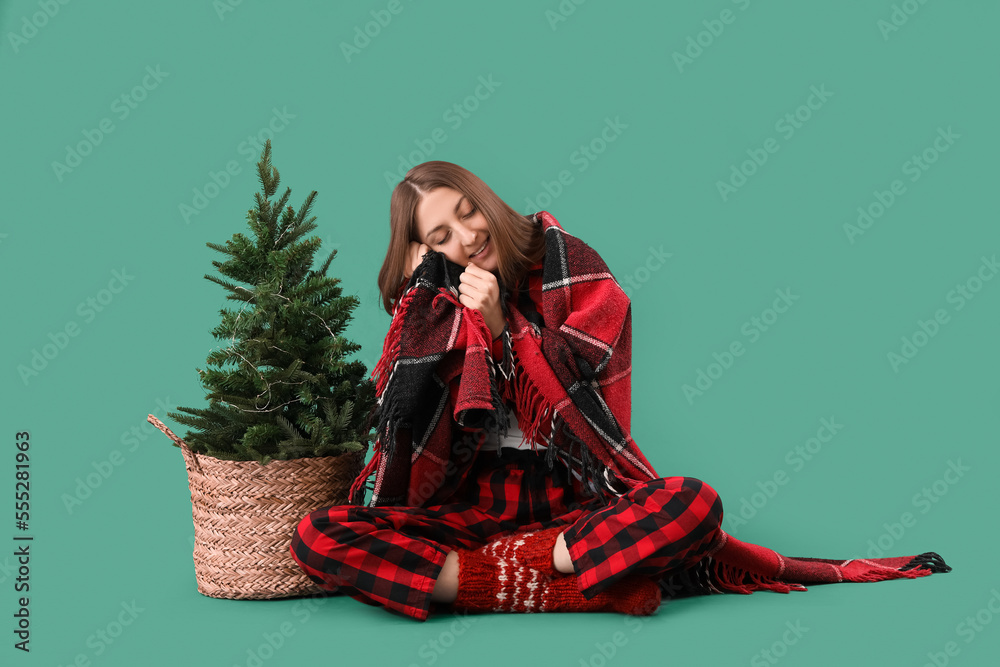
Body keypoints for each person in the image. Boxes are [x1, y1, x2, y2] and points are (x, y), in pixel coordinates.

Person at [289, 162, 949, 623]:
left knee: (693, 505)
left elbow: (586, 419)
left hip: (573, 501)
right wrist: (426, 294)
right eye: (441, 237)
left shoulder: (570, 266)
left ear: (484, 198)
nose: (467, 236)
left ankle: (488, 576)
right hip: (475, 506)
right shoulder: (432, 308)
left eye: (468, 211)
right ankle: (561, 589)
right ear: (424, 250)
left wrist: (503, 328)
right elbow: (404, 435)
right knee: (318, 534)